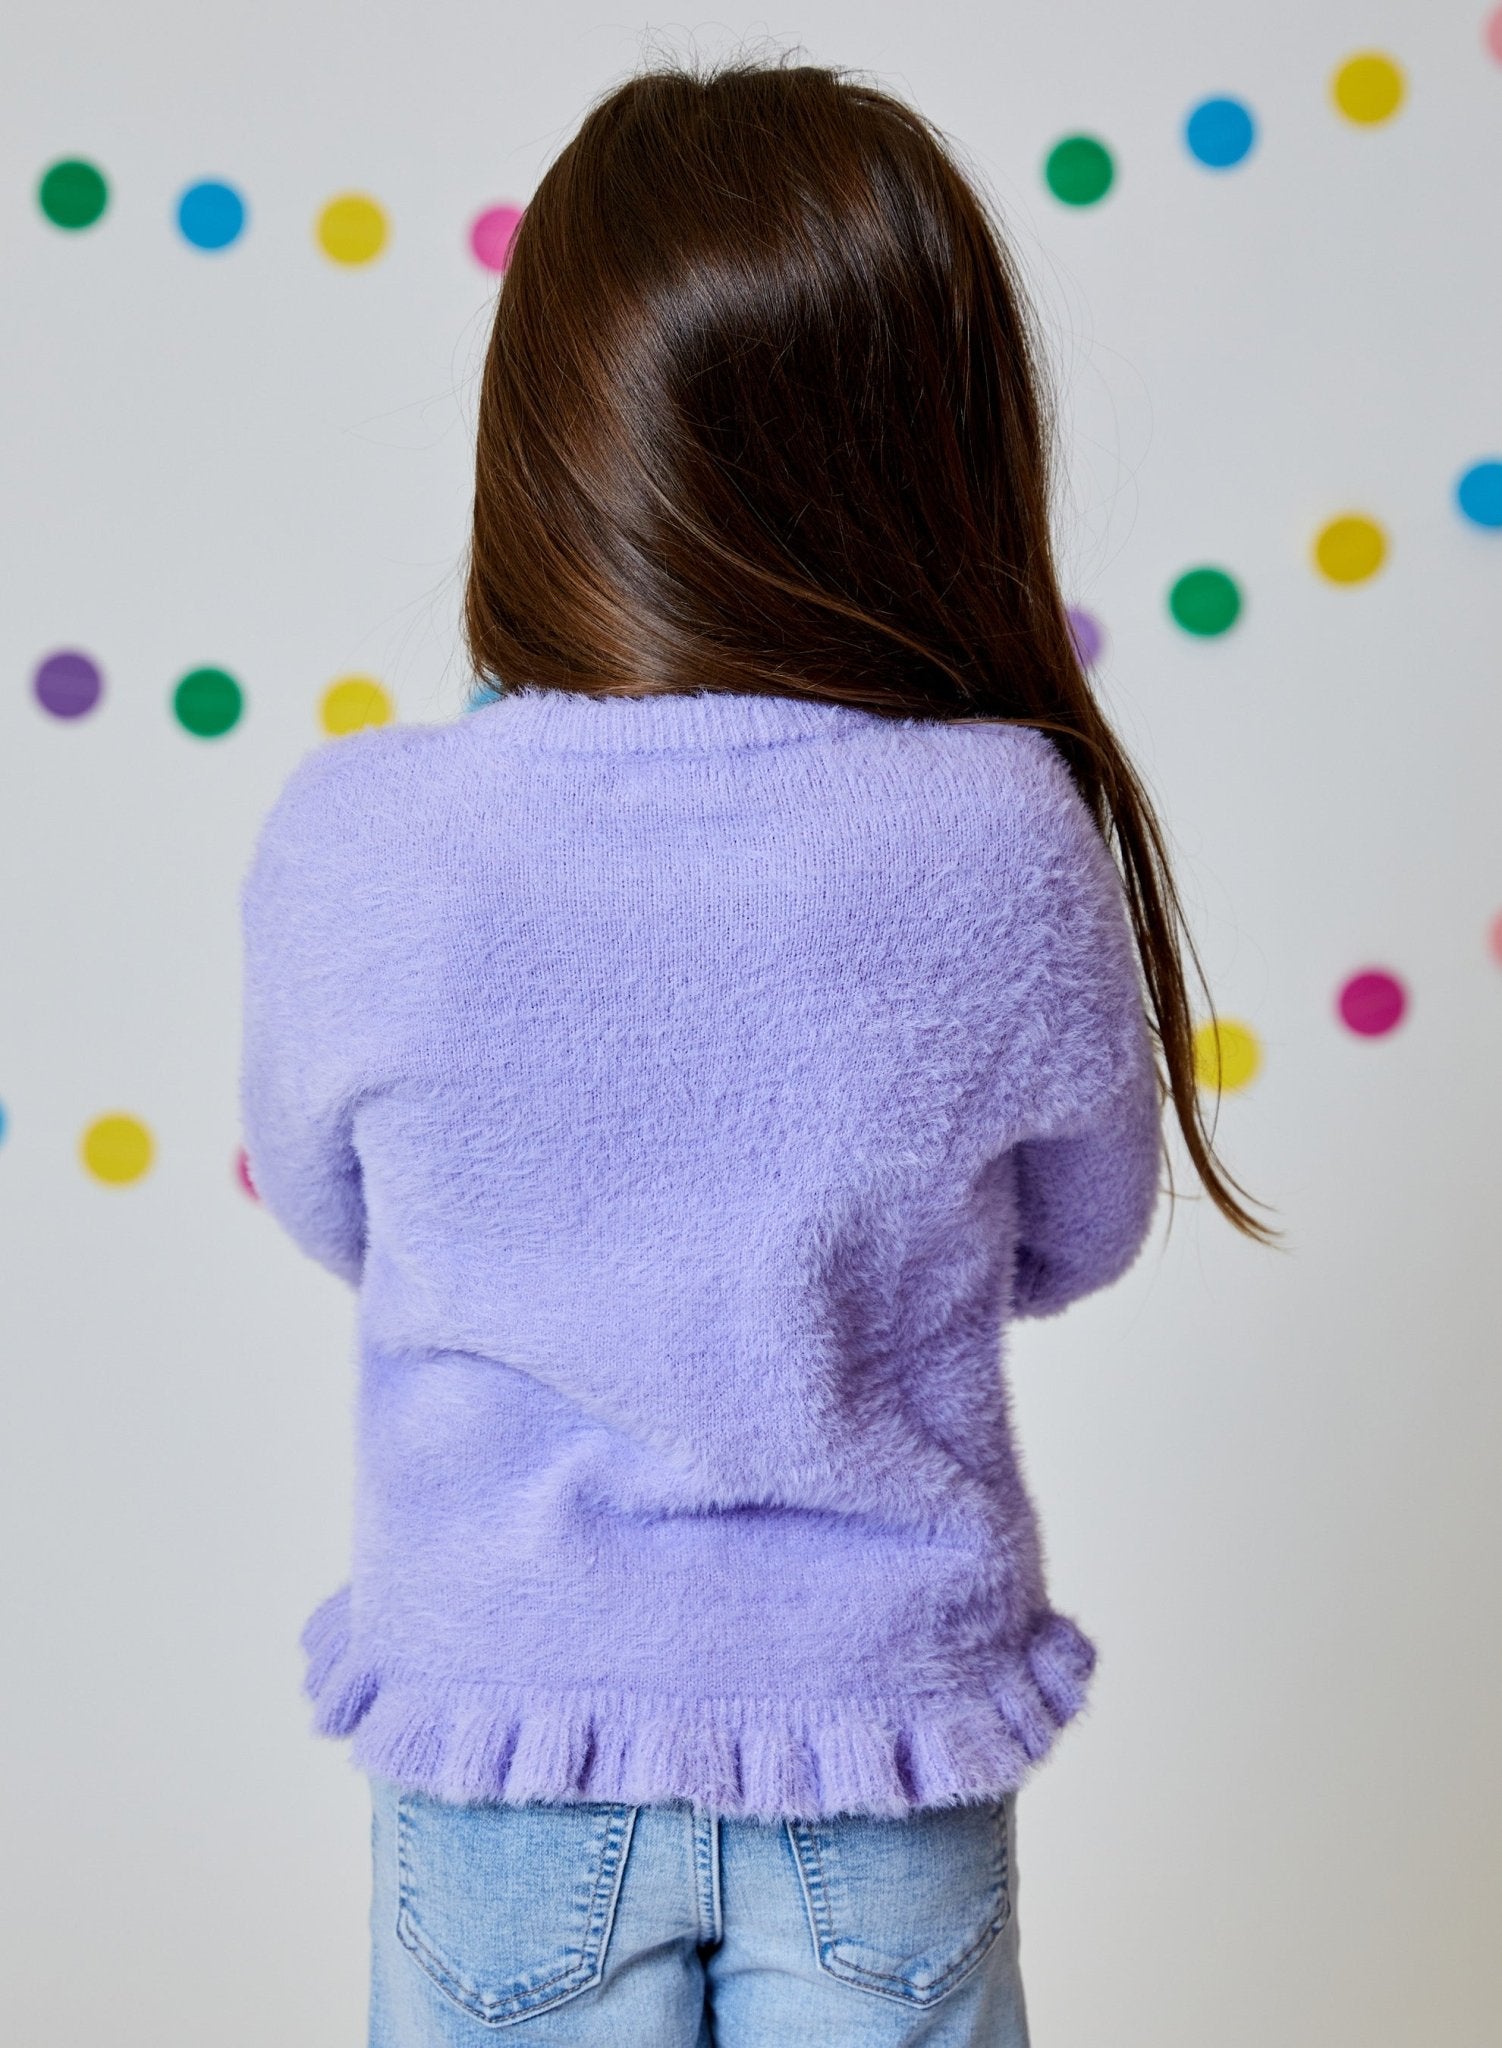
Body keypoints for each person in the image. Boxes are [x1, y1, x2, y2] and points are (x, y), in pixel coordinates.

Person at [239, 53, 1280, 2048]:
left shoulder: (364, 838)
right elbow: (1077, 1232)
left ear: (544, 439)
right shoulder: (1003, 831)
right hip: (876, 1738)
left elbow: (332, 1205)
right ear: (935, 453)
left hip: (508, 1734)